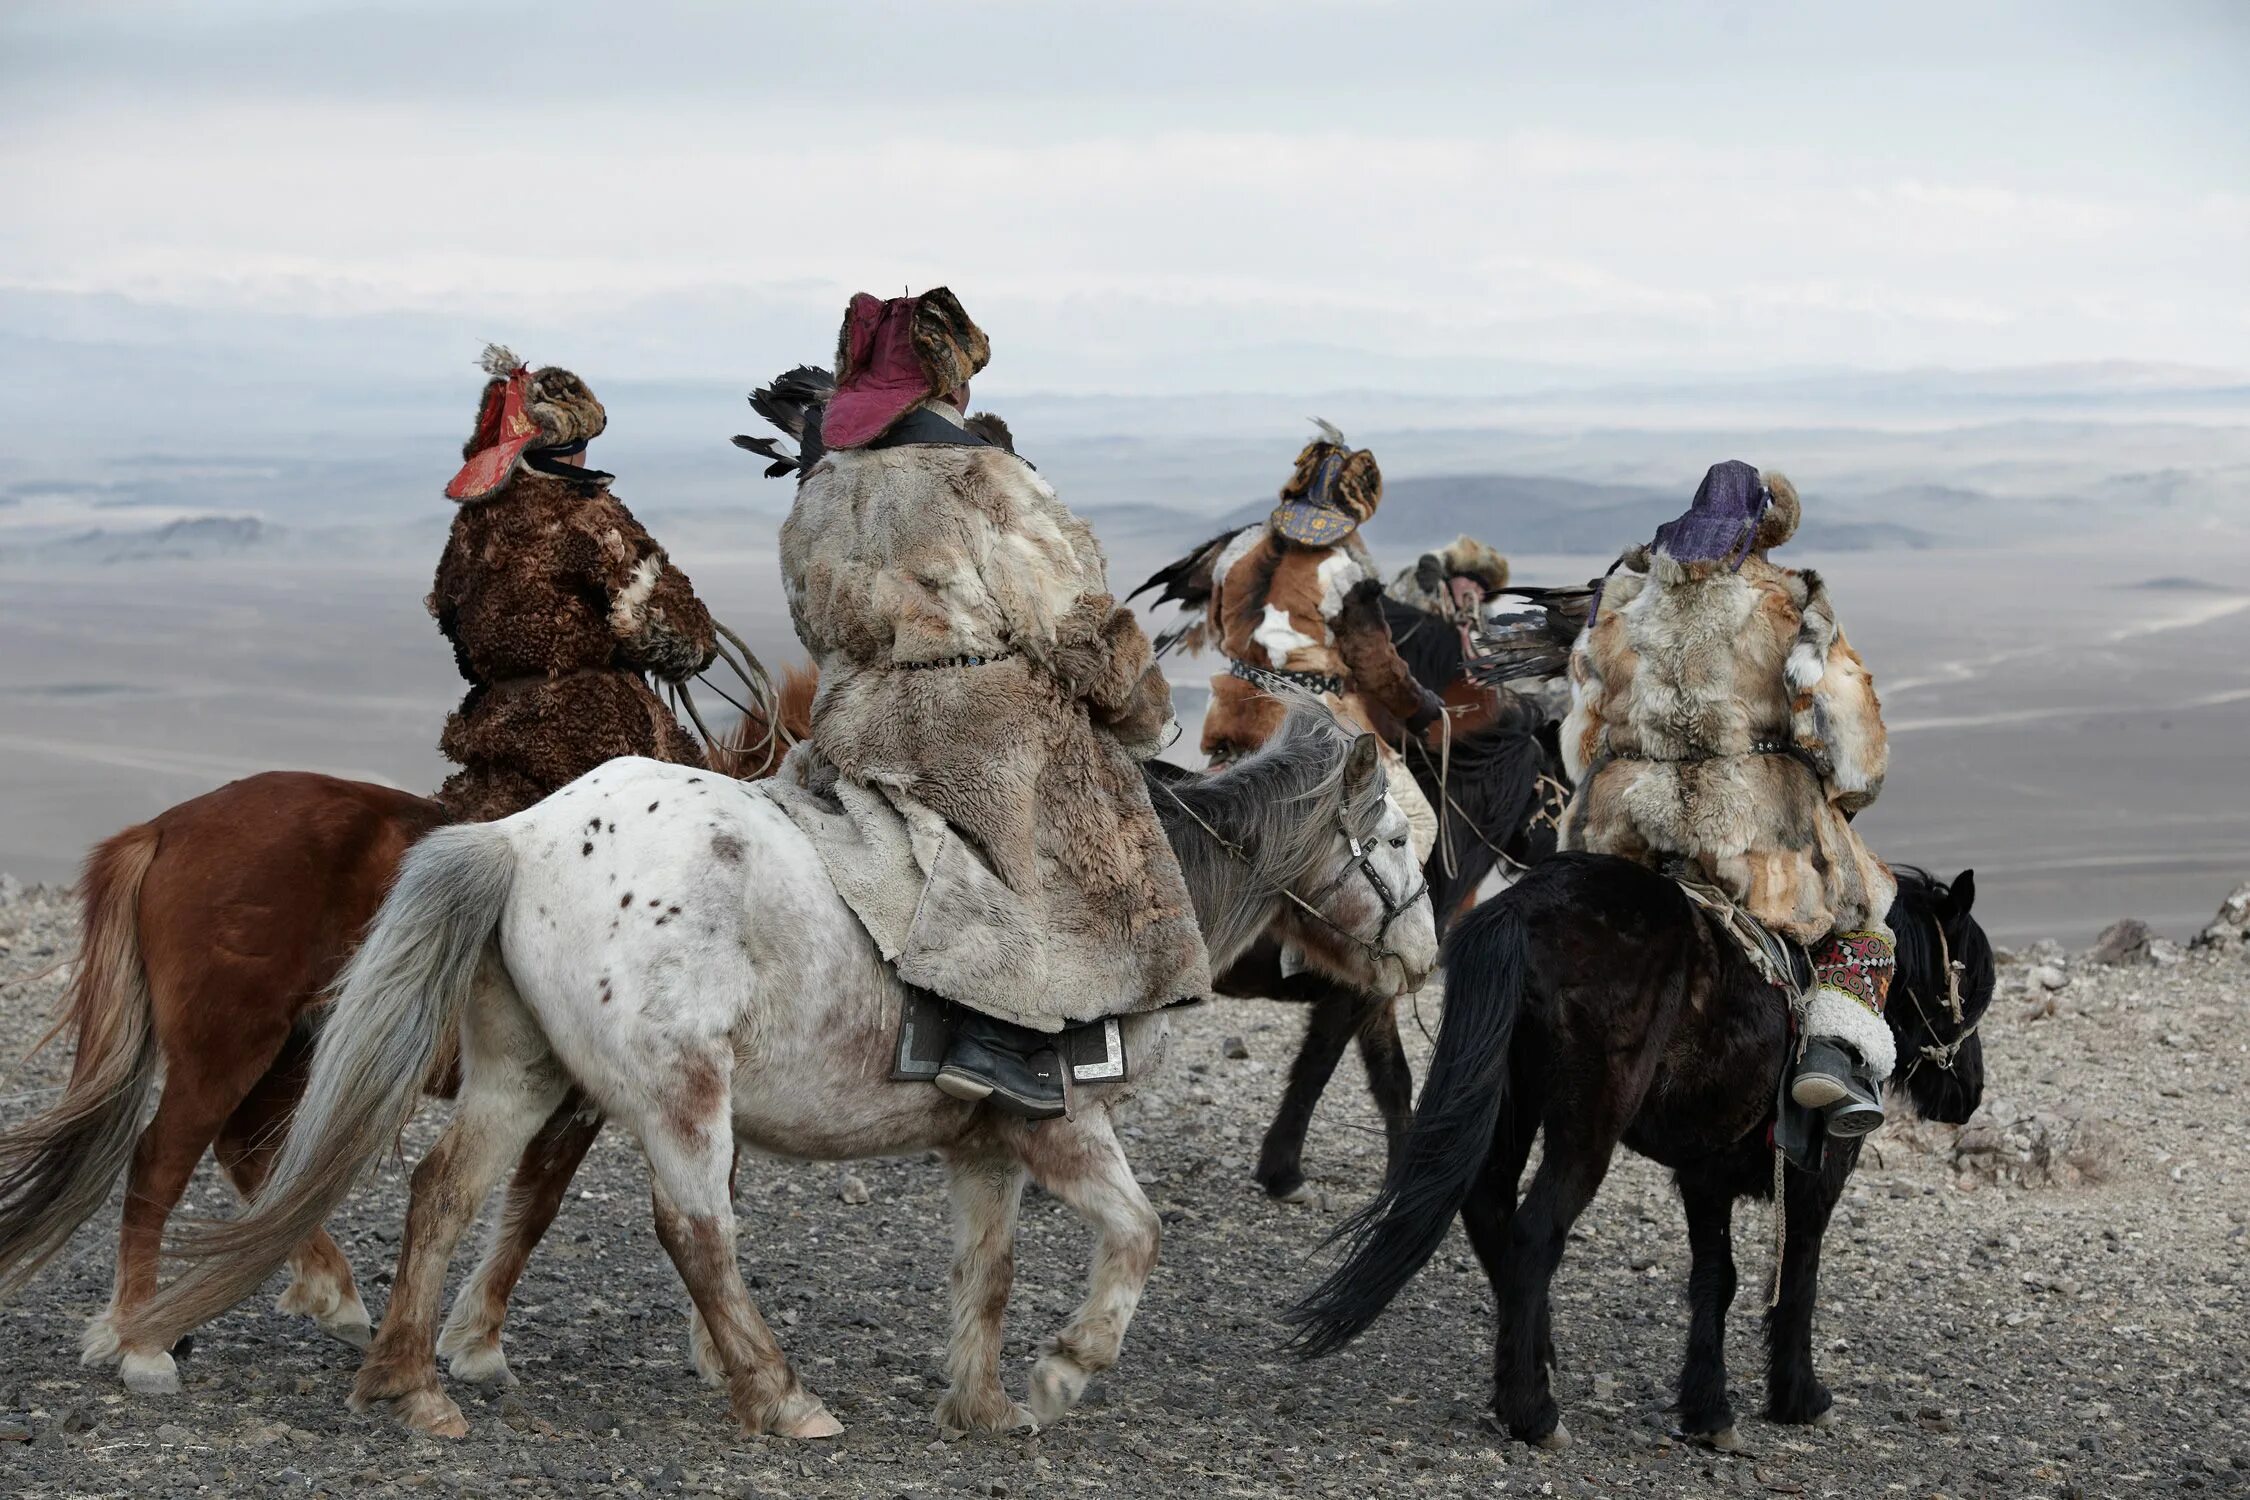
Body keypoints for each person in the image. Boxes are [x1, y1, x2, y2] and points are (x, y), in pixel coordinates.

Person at [776, 289, 1210, 1120]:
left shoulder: (823, 486)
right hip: (975, 720)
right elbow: (1073, 621)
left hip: (852, 719)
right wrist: (1141, 714)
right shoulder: (988, 478)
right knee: (1089, 837)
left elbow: (809, 615)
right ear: (954, 384)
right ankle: (1010, 1042)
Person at [1557, 461, 1896, 1136]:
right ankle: (1829, 1058)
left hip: (1625, 831)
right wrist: (1844, 793)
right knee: (1869, 918)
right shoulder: (1791, 607)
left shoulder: (1622, 609)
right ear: (1760, 535)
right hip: (1751, 831)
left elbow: (1581, 741)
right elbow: (1851, 739)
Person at [429, 346, 717, 822]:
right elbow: (674, 630)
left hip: (497, 734)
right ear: (571, 441)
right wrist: (693, 639)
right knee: (708, 825)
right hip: (599, 738)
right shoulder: (587, 514)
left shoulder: (470, 526)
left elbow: (450, 619)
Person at [1199, 422, 1446, 861]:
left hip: (1230, 714)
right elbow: (1375, 667)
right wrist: (1419, 706)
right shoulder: (1342, 572)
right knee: (1417, 823)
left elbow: (1217, 632)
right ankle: (1380, 930)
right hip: (1309, 726)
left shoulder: (1236, 551)